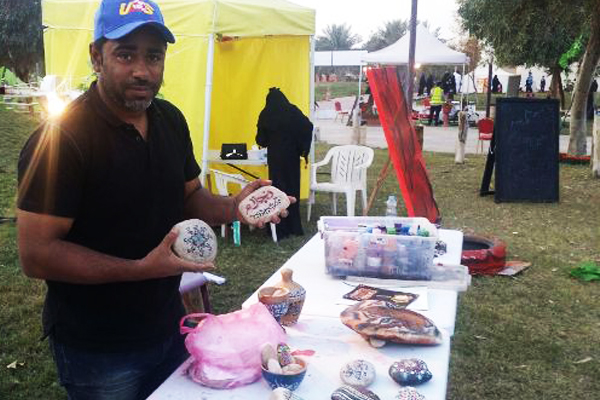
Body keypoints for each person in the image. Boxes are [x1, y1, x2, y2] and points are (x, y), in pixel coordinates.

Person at [16, 1, 293, 399]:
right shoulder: (61, 139)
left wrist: (235, 208)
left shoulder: (170, 120)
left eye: (153, 56)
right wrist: (142, 268)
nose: (142, 71)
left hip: (168, 324)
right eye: (125, 55)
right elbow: (37, 254)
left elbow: (190, 196)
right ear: (97, 56)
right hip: (100, 347)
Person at [256, 88, 313, 239]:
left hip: (276, 159)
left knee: (277, 191)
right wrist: (301, 147)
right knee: (292, 189)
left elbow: (261, 140)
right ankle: (294, 226)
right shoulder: (293, 111)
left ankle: (279, 227)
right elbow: (308, 126)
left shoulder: (266, 113)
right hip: (292, 158)